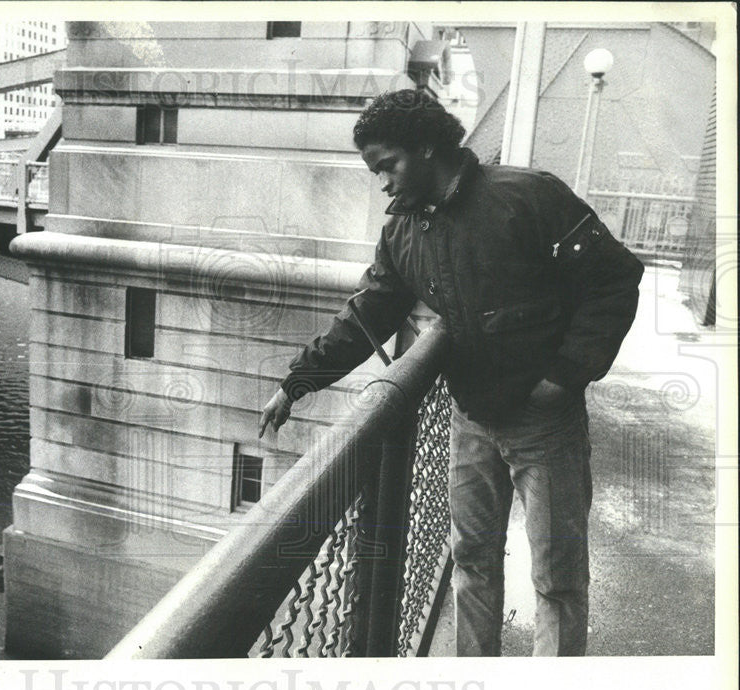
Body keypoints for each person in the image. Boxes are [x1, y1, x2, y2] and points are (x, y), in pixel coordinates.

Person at [258, 90, 644, 656]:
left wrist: (564, 375)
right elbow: (368, 312)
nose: (383, 183)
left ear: (427, 146)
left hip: (546, 423)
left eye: (387, 166)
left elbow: (614, 279)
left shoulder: (527, 195)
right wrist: (298, 381)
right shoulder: (402, 232)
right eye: (375, 171)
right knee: (471, 561)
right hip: (470, 418)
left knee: (558, 579)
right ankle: (474, 688)